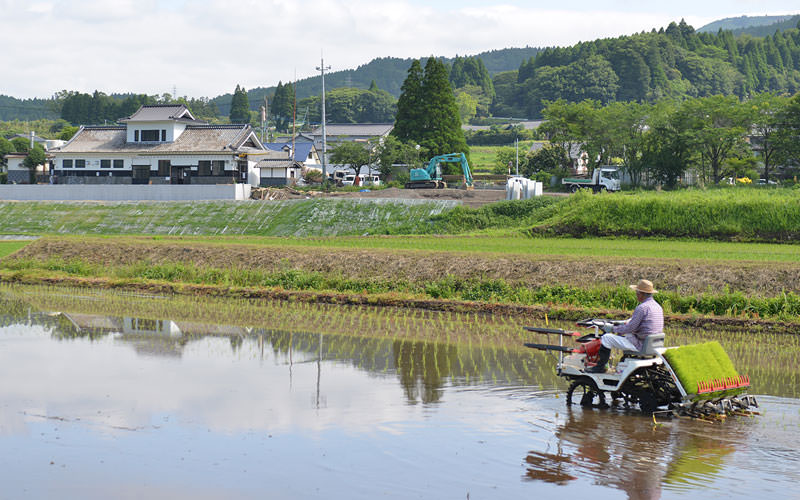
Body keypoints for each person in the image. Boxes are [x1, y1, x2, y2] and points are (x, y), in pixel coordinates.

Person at [586, 279, 663, 373]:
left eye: (637, 293)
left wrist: (612, 328)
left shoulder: (642, 308)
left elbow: (630, 328)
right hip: (652, 345)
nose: (636, 295)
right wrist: (623, 326)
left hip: (640, 344)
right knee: (625, 335)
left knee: (606, 338)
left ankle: (600, 368)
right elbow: (643, 324)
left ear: (641, 294)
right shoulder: (657, 307)